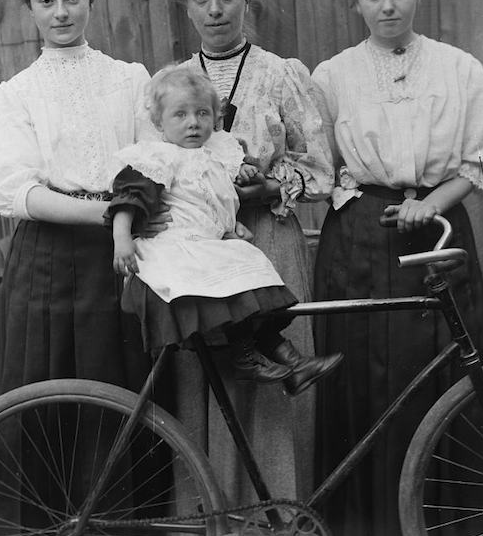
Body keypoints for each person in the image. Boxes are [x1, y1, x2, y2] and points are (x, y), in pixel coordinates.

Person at [0, 0, 165, 536]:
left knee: (114, 384)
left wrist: (121, 216)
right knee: (43, 390)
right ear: (31, 7)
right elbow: (13, 188)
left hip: (123, 254)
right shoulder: (16, 94)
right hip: (47, 256)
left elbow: (151, 161)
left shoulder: (131, 81)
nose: (61, 12)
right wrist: (101, 211)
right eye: (47, 1)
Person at [310, 0, 483, 536]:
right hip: (360, 239)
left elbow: (481, 160)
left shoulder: (459, 68)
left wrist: (432, 202)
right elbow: (322, 169)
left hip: (440, 231)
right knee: (368, 384)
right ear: (355, 2)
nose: (388, 5)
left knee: (449, 371)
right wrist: (366, 205)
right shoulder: (332, 75)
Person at [171, 0, 336, 505]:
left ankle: (279, 527)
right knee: (210, 373)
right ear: (185, 6)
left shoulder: (282, 74)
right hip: (197, 246)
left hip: (268, 242)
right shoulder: (170, 83)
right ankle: (211, 523)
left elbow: (320, 171)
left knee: (271, 375)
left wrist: (269, 186)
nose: (215, 9)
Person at [106, 65, 342, 391]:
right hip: (175, 247)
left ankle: (292, 361)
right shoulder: (156, 157)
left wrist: (242, 178)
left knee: (253, 270)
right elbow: (127, 202)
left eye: (202, 113)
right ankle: (246, 356)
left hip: (211, 241)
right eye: (180, 115)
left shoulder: (218, 153)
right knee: (228, 285)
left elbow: (215, 199)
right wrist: (122, 240)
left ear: (215, 118)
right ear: (159, 123)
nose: (193, 122)